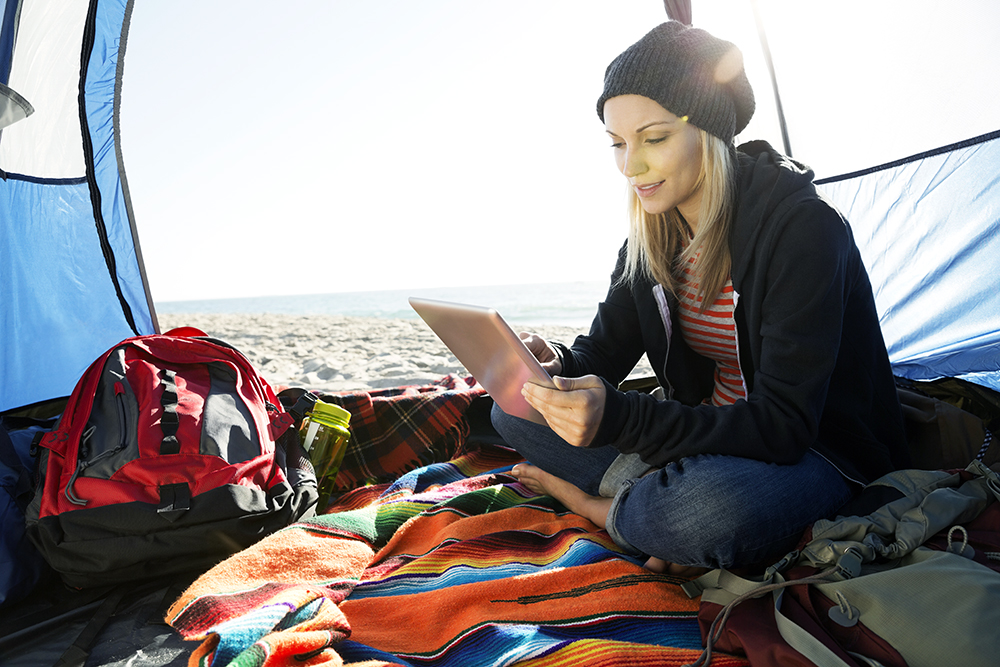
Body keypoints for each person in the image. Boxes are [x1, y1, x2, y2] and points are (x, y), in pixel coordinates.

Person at [490, 21, 910, 575]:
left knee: (700, 509)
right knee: (513, 409)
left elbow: (784, 426)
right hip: (704, 434)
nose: (630, 166)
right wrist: (555, 367)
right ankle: (642, 506)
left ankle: (603, 506)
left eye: (654, 138)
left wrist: (622, 420)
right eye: (618, 144)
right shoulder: (650, 237)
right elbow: (601, 357)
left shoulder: (803, 230)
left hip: (816, 451)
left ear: (708, 131)